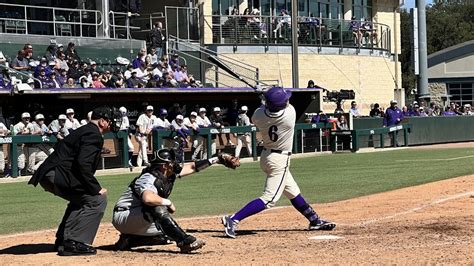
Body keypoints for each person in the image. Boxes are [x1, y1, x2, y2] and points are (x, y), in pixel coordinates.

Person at [221, 87, 336, 238]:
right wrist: (266, 98)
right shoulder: (290, 114)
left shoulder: (258, 115)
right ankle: (233, 219)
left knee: (292, 191)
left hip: (267, 157)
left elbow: (263, 111)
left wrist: (265, 100)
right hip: (279, 161)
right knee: (269, 199)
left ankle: (314, 220)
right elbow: (282, 104)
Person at [28, 106, 121, 256]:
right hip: (57, 173)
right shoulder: (93, 134)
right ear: (102, 121)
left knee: (80, 199)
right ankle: (73, 242)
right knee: (97, 199)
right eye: (111, 121)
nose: (114, 123)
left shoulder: (87, 130)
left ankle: (64, 240)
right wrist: (96, 188)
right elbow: (82, 164)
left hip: (53, 173)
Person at [112, 148, 236, 252]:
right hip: (125, 215)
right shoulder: (148, 178)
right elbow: (148, 198)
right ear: (164, 166)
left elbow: (192, 167)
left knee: (168, 233)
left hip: (137, 218)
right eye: (172, 161)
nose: (175, 163)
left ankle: (129, 240)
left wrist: (216, 159)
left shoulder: (167, 174)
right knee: (158, 207)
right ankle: (184, 242)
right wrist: (168, 202)